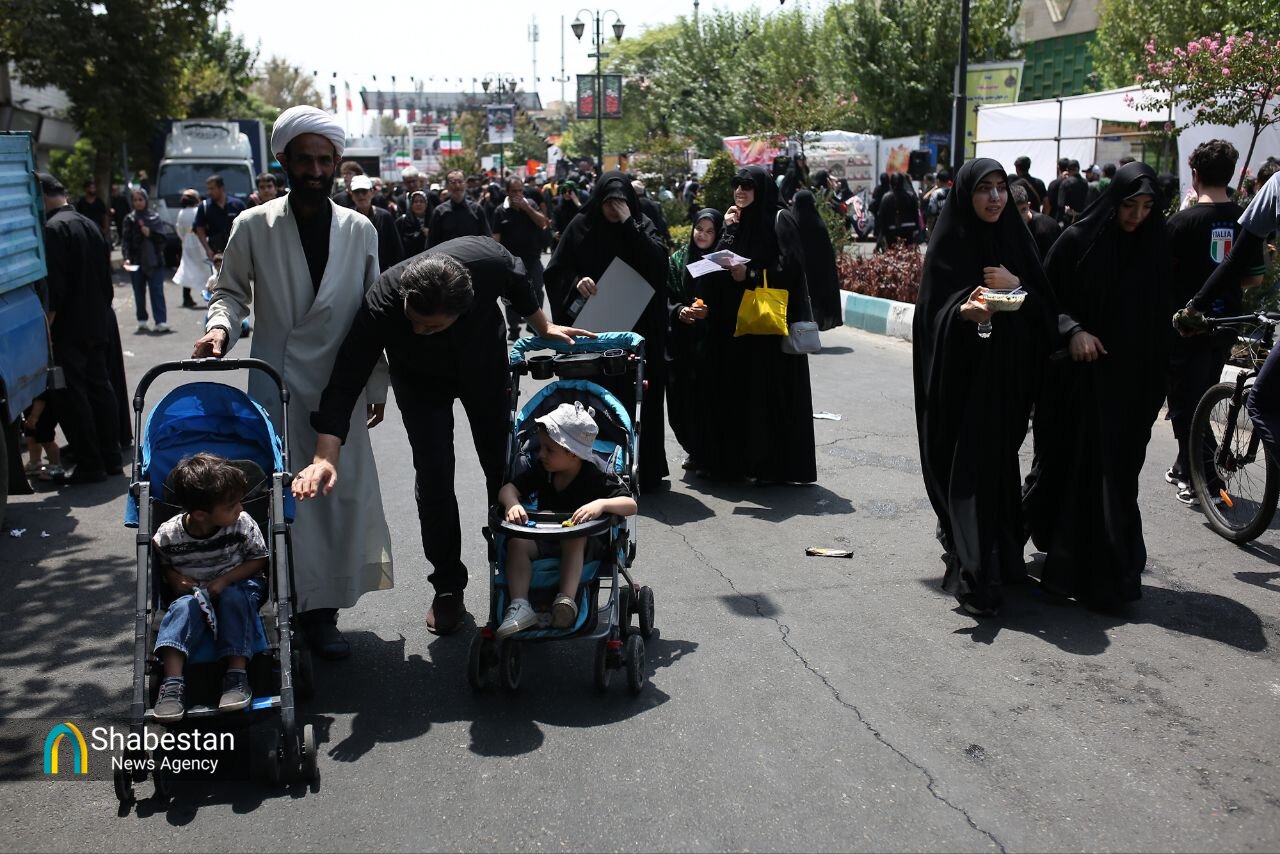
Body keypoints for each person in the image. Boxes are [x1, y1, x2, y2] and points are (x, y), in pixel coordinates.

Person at [292, 240, 592, 636]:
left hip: (482, 365)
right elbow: (347, 376)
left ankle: (514, 571)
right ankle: (448, 585)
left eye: (431, 326)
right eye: (413, 320)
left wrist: (542, 325)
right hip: (419, 381)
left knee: (501, 466)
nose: (419, 330)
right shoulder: (383, 302)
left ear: (463, 308)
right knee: (433, 476)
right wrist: (325, 455)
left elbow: (517, 277)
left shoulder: (486, 262)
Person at [193, 105, 394, 661]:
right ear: (283, 161)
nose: (315, 170)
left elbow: (374, 312)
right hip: (275, 383)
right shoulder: (253, 225)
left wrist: (376, 385)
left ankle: (324, 614)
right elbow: (229, 293)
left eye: (324, 160)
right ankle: (290, 610)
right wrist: (219, 330)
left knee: (335, 499)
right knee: (281, 500)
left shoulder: (360, 229)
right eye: (304, 160)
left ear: (336, 164)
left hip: (340, 387)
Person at [1023, 162, 1171, 611]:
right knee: (1070, 470)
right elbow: (1044, 300)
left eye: (1147, 207)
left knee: (1117, 476)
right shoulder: (1077, 241)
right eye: (1130, 205)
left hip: (1132, 386)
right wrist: (1073, 330)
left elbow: (1158, 317)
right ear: (1113, 201)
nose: (1137, 216)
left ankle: (1108, 572)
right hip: (1077, 383)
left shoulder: (1155, 246)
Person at [912, 159, 1056, 618]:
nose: (994, 198)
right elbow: (930, 316)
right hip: (961, 383)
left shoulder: (1016, 239)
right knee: (967, 471)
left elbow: (1045, 311)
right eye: (984, 189)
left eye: (1000, 188)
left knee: (996, 470)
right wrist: (962, 313)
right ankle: (973, 574)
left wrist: (1017, 287)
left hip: (1007, 382)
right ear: (965, 194)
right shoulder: (949, 244)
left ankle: (999, 559)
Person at [548, 171, 672, 490]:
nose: (614, 209)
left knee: (639, 399)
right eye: (609, 202)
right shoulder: (581, 226)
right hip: (596, 335)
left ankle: (644, 469)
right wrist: (577, 282)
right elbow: (556, 271)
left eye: (620, 201)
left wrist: (630, 223)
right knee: (596, 401)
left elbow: (659, 266)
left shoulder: (642, 224)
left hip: (639, 333)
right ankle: (595, 470)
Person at [696, 165, 817, 485]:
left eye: (747, 185)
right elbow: (718, 263)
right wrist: (728, 229)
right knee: (742, 395)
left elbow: (792, 267)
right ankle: (741, 463)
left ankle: (771, 466)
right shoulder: (738, 222)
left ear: (761, 189)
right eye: (737, 184)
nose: (740, 190)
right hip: (737, 326)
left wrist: (751, 275)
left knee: (768, 395)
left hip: (767, 327)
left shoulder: (779, 219)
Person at [1163, 141, 1265, 506]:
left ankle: (1201, 478)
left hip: (1186, 326)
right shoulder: (1246, 220)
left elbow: (1162, 279)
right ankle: (1184, 465)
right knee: (1204, 391)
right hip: (1227, 323)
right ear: (1232, 175)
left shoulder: (1180, 223)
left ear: (1195, 175)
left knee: (1186, 404)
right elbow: (1254, 278)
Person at [496, 401, 638, 637]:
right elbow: (508, 489)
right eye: (542, 447)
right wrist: (512, 503)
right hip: (546, 536)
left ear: (572, 453)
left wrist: (601, 504)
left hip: (585, 543)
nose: (541, 454)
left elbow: (630, 505)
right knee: (517, 543)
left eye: (549, 450)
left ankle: (566, 602)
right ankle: (520, 605)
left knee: (574, 537)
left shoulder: (594, 475)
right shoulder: (544, 471)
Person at [149, 453, 270, 723]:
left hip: (238, 583)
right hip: (194, 593)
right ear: (201, 514)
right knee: (181, 609)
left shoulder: (241, 524)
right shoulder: (168, 535)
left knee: (234, 598)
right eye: (231, 505)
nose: (240, 508)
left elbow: (259, 559)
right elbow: (163, 564)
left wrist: (225, 580)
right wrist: (173, 578)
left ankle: (236, 675)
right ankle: (172, 683)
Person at [38, 172, 123, 484]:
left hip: (69, 327)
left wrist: (47, 328)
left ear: (41, 195)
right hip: (97, 321)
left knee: (74, 394)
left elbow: (55, 290)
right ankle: (111, 457)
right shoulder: (88, 223)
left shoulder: (53, 229)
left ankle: (90, 463)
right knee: (100, 387)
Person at [665, 208, 720, 467]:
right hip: (682, 343)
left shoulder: (723, 262)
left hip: (713, 344)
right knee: (680, 401)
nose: (702, 235)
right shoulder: (678, 260)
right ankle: (693, 449)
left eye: (710, 231)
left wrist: (711, 312)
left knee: (710, 402)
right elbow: (666, 295)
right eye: (699, 229)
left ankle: (709, 455)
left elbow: (733, 300)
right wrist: (679, 310)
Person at [493, 175, 550, 340]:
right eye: (514, 191)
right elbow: (496, 237)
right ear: (507, 192)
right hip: (511, 262)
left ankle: (536, 325)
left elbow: (543, 223)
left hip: (532, 258)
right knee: (510, 295)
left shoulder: (530, 204)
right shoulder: (500, 211)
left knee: (537, 289)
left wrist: (528, 209)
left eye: (520, 191)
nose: (518, 194)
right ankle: (514, 327)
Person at [790, 190, 844, 331]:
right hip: (817, 279)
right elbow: (827, 257)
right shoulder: (819, 226)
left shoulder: (792, 225)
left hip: (798, 279)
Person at [193, 174, 247, 308]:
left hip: (236, 253)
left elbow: (247, 226)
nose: (209, 192)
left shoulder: (237, 204)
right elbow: (199, 228)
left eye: (212, 188)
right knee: (217, 286)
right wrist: (207, 249)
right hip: (216, 254)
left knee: (237, 285)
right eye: (208, 189)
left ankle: (238, 313)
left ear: (221, 188)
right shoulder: (205, 206)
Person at [121, 188, 170, 333]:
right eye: (135, 200)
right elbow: (125, 240)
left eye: (140, 199)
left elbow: (163, 239)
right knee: (138, 291)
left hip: (154, 260)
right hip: (135, 260)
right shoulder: (130, 219)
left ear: (146, 200)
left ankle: (160, 321)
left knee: (157, 291)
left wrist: (150, 234)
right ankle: (141, 319)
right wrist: (126, 257)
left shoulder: (155, 217)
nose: (138, 203)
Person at [350, 175, 404, 271]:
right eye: (357, 192)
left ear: (372, 192)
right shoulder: (348, 218)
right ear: (352, 195)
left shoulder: (384, 216)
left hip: (381, 271)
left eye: (364, 191)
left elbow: (395, 247)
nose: (361, 195)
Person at [427, 169, 492, 248]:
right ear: (446, 186)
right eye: (453, 182)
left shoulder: (477, 210)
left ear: (465, 184)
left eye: (460, 182)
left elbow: (487, 240)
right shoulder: (439, 212)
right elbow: (431, 243)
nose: (457, 186)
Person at [172, 189, 212, 311]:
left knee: (187, 268)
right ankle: (211, 294)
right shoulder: (198, 210)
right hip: (200, 242)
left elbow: (180, 230)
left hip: (188, 244)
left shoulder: (181, 213)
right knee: (207, 268)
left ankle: (186, 296)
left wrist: (185, 239)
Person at [1012, 181, 1061, 260]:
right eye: (1015, 213)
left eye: (1023, 210)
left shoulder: (1045, 229)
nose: (1020, 216)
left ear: (1028, 206)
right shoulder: (1009, 226)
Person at [876, 173, 920, 249]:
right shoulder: (910, 196)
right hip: (909, 229)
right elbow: (916, 214)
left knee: (892, 252)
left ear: (891, 183)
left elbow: (881, 216)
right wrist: (916, 229)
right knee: (908, 252)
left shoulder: (886, 197)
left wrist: (882, 232)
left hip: (891, 230)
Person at [632, 179, 671, 250]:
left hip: (638, 243)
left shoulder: (632, 206)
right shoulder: (655, 204)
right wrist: (668, 240)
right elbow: (662, 223)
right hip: (655, 242)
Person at [396, 190, 431, 259]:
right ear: (411, 204)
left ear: (426, 205)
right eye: (415, 201)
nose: (418, 204)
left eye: (421, 201)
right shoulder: (402, 221)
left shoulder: (432, 220)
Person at [1056, 160, 1090, 226]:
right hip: (1082, 218)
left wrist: (1059, 221)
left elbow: (1060, 204)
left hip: (1068, 219)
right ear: (1078, 169)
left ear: (1067, 170)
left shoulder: (1066, 183)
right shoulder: (1085, 182)